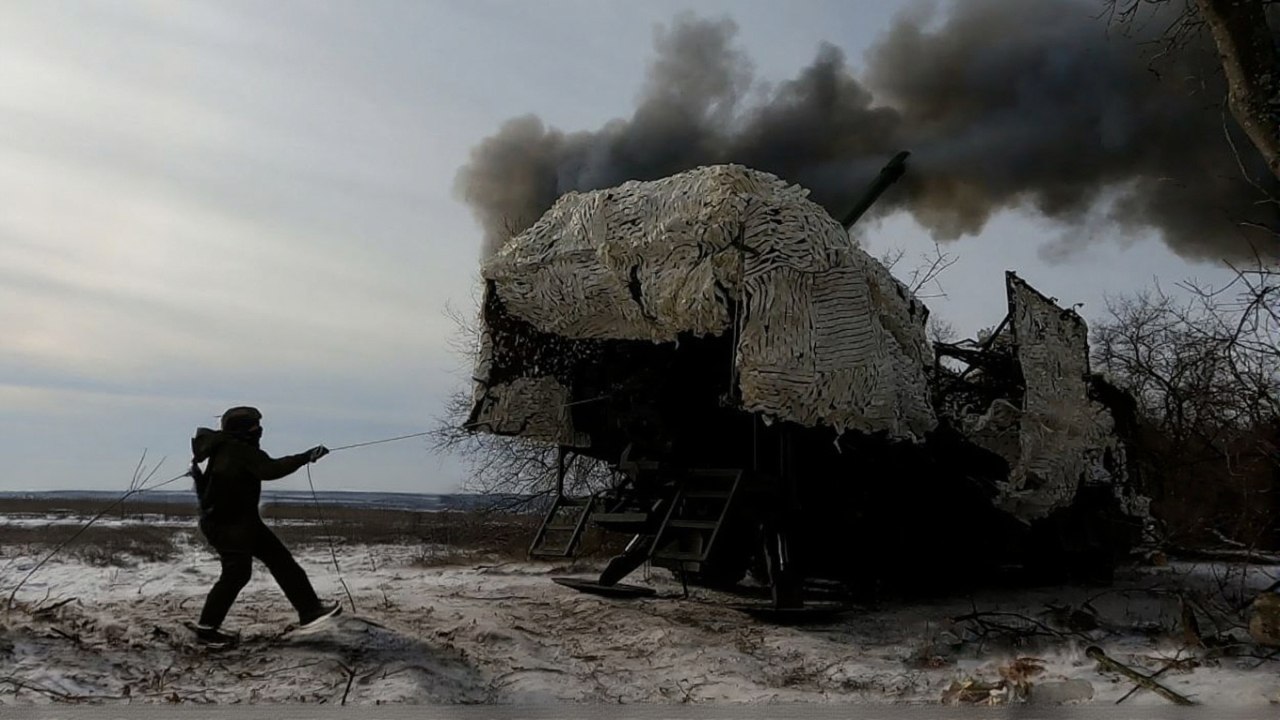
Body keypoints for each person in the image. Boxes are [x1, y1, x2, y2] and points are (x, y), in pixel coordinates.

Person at [187, 406, 340, 647]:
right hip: (229, 525)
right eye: (253, 426)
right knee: (238, 573)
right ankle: (206, 630)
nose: (258, 430)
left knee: (281, 562)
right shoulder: (238, 450)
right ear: (240, 429)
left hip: (239, 522)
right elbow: (270, 469)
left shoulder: (225, 448)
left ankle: (310, 611)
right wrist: (305, 457)